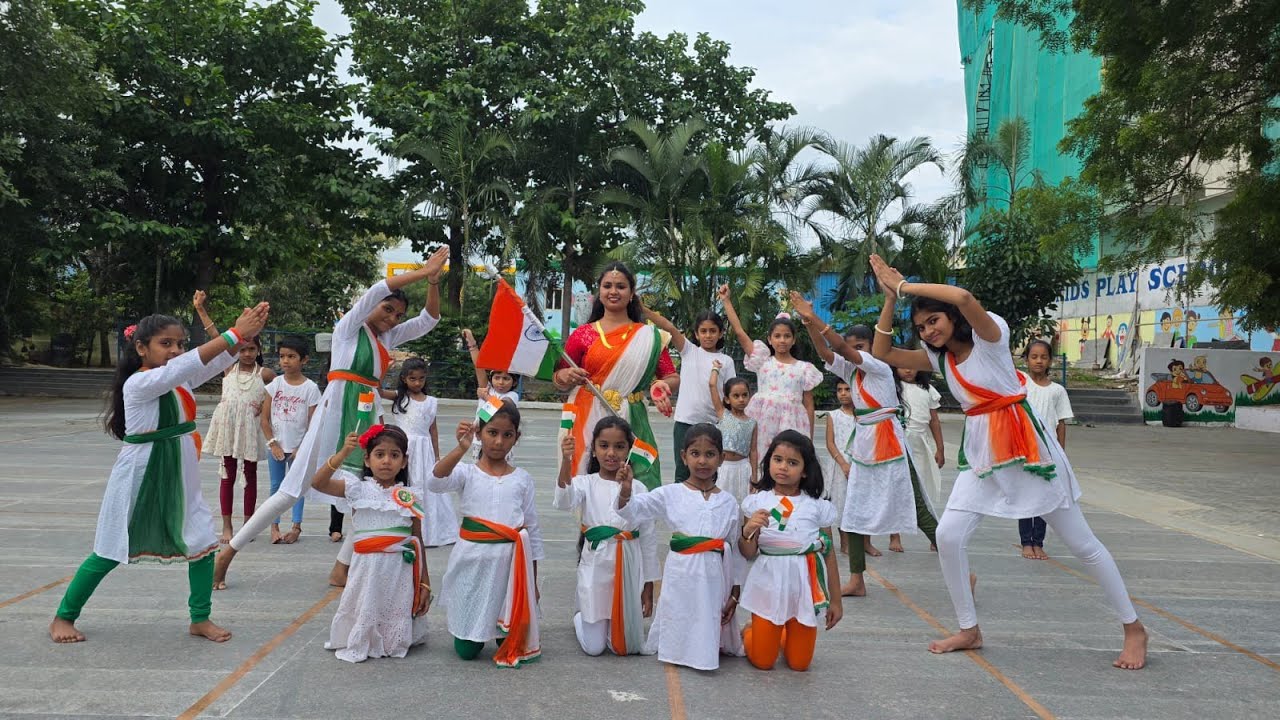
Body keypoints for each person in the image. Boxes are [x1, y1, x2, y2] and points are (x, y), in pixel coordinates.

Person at [866, 253, 1147, 669]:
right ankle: (969, 628)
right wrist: (892, 298)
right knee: (948, 536)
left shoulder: (990, 338)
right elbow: (882, 353)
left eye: (934, 321)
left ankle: (1133, 628)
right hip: (982, 456)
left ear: (951, 318)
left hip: (1027, 450)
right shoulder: (939, 358)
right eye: (922, 326)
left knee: (1082, 545)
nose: (929, 330)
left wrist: (907, 286)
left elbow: (962, 295)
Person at [214, 246, 449, 591]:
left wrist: (432, 282)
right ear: (372, 306)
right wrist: (420, 272)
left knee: (370, 491)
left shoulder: (387, 337)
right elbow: (377, 289)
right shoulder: (349, 327)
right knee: (292, 489)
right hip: (336, 410)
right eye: (388, 310)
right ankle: (229, 553)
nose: (393, 319)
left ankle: (341, 567)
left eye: (398, 315)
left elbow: (430, 319)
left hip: (368, 413)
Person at [49, 300, 270, 644]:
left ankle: (200, 617)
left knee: (202, 542)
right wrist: (234, 333)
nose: (175, 350)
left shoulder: (175, 380)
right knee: (110, 547)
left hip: (180, 472)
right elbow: (183, 368)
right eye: (165, 343)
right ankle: (64, 616)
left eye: (179, 343)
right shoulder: (141, 383)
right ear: (140, 348)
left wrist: (243, 339)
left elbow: (207, 365)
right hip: (139, 473)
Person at [791, 294, 937, 598]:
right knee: (854, 511)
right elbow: (828, 352)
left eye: (861, 347)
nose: (855, 352)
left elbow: (840, 348)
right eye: (853, 347)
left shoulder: (880, 367)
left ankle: (960, 567)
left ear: (872, 347)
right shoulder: (852, 373)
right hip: (864, 446)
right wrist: (808, 324)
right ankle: (857, 579)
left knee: (918, 508)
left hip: (890, 444)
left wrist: (814, 316)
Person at [615, 423, 745, 670]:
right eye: (695, 454)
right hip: (681, 571)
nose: (702, 461)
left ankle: (705, 652)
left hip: (714, 574)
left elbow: (734, 550)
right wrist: (626, 490)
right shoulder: (670, 493)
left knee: (706, 614)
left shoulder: (728, 502)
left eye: (710, 454)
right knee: (680, 611)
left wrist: (735, 593)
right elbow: (632, 511)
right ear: (684, 456)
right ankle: (677, 650)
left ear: (722, 458)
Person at [430, 401, 544, 667]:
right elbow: (434, 482)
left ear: (517, 438)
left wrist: (532, 583)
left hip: (510, 567)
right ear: (479, 432)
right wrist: (459, 449)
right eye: (492, 432)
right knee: (467, 651)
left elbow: (532, 532)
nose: (498, 441)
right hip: (471, 561)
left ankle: (502, 629)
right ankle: (472, 629)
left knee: (509, 640)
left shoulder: (522, 479)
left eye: (507, 435)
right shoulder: (466, 473)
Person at [554, 262, 679, 490]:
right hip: (587, 416)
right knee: (587, 482)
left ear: (631, 294)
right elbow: (558, 377)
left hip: (632, 416)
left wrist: (660, 385)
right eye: (607, 286)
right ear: (599, 292)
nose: (613, 291)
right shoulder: (582, 335)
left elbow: (671, 375)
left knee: (638, 481)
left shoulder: (649, 336)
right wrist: (567, 375)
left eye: (620, 286)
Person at [311, 426, 430, 662]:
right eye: (380, 454)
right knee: (366, 601)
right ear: (367, 459)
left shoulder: (409, 496)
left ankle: (391, 638)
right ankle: (362, 637)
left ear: (404, 462)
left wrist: (424, 582)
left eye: (395, 455)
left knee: (394, 604)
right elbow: (318, 482)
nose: (387, 461)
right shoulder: (357, 488)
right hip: (367, 567)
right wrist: (343, 453)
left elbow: (417, 539)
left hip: (399, 569)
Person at [553, 417, 659, 656]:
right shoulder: (585, 483)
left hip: (628, 566)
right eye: (604, 446)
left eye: (619, 446)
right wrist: (566, 461)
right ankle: (581, 615)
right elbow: (563, 501)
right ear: (594, 449)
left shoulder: (640, 489)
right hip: (596, 564)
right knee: (595, 647)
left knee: (623, 645)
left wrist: (648, 586)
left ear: (629, 450)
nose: (611, 453)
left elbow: (649, 540)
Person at [739, 430, 843, 671]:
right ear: (769, 463)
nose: (783, 467)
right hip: (768, 585)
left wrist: (835, 601)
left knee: (799, 664)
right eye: (777, 460)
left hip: (804, 588)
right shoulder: (757, 502)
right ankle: (751, 631)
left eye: (792, 462)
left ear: (805, 470)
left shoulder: (817, 507)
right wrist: (747, 531)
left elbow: (828, 553)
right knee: (763, 661)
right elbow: (747, 553)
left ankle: (782, 633)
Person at [198, 292, 275, 545]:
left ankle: (248, 525)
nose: (247, 354)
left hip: (250, 430)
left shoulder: (266, 374)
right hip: (228, 428)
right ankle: (227, 526)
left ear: (258, 350)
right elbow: (215, 337)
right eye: (242, 349)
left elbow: (280, 396)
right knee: (227, 475)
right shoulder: (228, 368)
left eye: (252, 349)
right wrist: (201, 310)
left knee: (250, 475)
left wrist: (264, 410)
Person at [719, 285, 822, 463]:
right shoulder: (763, 361)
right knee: (760, 462)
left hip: (793, 424)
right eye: (777, 336)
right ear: (769, 339)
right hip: (762, 422)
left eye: (787, 336)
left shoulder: (804, 369)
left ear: (794, 339)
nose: (782, 340)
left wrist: (810, 440)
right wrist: (726, 301)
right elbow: (739, 332)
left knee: (789, 463)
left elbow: (809, 405)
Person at [645, 305, 736, 484]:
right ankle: (679, 510)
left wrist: (731, 424)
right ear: (696, 334)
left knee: (710, 471)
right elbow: (669, 327)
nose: (708, 335)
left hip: (714, 424)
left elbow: (731, 395)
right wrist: (644, 310)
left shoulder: (726, 361)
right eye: (703, 331)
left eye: (712, 331)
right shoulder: (689, 351)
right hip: (685, 423)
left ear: (721, 333)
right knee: (682, 470)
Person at [382, 357, 457, 547]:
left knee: (426, 486)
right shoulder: (400, 397)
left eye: (421, 378)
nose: (417, 383)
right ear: (404, 378)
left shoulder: (431, 401)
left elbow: (433, 429)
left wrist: (437, 455)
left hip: (425, 451)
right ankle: (402, 527)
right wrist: (384, 369)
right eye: (412, 378)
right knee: (405, 483)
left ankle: (428, 532)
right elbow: (377, 390)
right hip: (403, 448)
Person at [260, 335, 321, 544]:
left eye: (291, 356)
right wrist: (273, 444)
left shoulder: (311, 389)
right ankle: (274, 526)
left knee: (298, 488)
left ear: (304, 360)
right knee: (276, 486)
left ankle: (296, 527)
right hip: (276, 447)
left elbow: (314, 423)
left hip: (299, 449)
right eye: (282, 356)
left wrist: (301, 448)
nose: (285, 361)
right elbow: (264, 419)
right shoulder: (275, 385)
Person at [1018, 340, 1074, 561]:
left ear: (1050, 360)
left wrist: (1060, 452)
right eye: (1034, 357)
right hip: (1025, 450)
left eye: (1043, 357)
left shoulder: (1057, 391)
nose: (1039, 361)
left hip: (1049, 452)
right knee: (1027, 498)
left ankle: (1038, 542)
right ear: (1027, 360)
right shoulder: (1020, 385)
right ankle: (1026, 543)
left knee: (1044, 498)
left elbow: (1061, 423)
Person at [896, 366, 946, 504]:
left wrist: (940, 449)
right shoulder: (893, 387)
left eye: (912, 366)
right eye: (902, 366)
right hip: (899, 440)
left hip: (920, 441)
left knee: (921, 479)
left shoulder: (928, 389)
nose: (908, 370)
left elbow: (934, 421)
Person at [709, 370, 757, 502]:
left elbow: (753, 451)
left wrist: (754, 475)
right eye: (736, 396)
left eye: (744, 395)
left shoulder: (752, 423)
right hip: (724, 467)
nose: (741, 399)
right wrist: (715, 369)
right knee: (722, 500)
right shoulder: (723, 414)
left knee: (742, 500)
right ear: (727, 399)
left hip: (743, 468)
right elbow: (712, 385)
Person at [821, 378, 855, 555]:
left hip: (860, 465)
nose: (843, 393)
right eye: (840, 390)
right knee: (841, 502)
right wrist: (843, 464)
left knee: (859, 503)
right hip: (839, 465)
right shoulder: (833, 415)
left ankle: (865, 543)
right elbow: (830, 443)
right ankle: (845, 542)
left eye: (847, 389)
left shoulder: (863, 416)